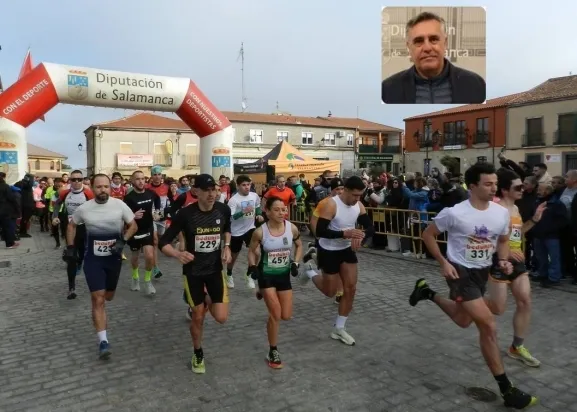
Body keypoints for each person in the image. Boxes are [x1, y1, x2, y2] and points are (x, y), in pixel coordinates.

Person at [413, 162, 537, 409]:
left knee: (462, 320)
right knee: (488, 325)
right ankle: (507, 389)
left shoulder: (500, 213)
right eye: (488, 184)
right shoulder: (454, 213)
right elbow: (428, 235)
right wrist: (443, 262)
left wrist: (503, 260)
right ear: (472, 186)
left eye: (495, 184)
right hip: (459, 272)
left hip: (482, 271)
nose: (494, 188)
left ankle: (426, 292)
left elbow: (503, 240)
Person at [158, 174, 232, 374]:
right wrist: (177, 254)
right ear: (195, 191)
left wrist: (226, 246)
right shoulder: (185, 214)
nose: (211, 194)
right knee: (198, 316)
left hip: (215, 270)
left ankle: (204, 298)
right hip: (193, 272)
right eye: (206, 190)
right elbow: (163, 242)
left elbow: (227, 228)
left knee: (221, 318)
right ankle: (198, 352)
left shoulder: (223, 209)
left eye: (214, 189)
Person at [67, 174, 137, 359]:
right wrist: (70, 247)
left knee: (108, 296)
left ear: (110, 188)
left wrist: (123, 240)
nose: (103, 190)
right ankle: (103, 341)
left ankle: (103, 320)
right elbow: (72, 225)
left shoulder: (119, 205)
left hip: (113, 260)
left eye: (106, 186)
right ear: (92, 188)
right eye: (99, 187)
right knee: (97, 299)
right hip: (93, 260)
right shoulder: (85, 208)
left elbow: (133, 225)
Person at [299, 176, 374, 346]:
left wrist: (361, 236)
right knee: (330, 292)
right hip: (329, 250)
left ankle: (339, 328)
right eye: (355, 195)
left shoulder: (359, 205)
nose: (357, 199)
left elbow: (371, 227)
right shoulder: (331, 205)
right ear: (346, 190)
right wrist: (344, 234)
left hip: (346, 250)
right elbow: (320, 231)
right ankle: (310, 271)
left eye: (360, 195)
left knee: (351, 288)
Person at [488, 169, 544, 368]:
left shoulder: (516, 209)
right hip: (500, 260)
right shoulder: (495, 209)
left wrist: (534, 220)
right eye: (518, 187)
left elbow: (518, 235)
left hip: (518, 262)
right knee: (498, 308)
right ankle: (468, 303)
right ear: (504, 190)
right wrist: (507, 252)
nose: (523, 189)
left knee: (525, 301)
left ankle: (516, 347)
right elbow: (487, 239)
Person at [381, 11, 485, 104]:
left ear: (445, 43)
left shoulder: (475, 84)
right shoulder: (388, 90)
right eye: (419, 41)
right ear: (409, 47)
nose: (427, 48)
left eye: (434, 39)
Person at [247, 196, 303, 369]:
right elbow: (251, 251)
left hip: (283, 275)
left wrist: (296, 262)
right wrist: (253, 266)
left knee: (286, 315)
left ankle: (261, 292)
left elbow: (299, 245)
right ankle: (273, 351)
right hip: (267, 275)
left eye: (283, 209)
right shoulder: (260, 232)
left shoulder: (291, 228)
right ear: (268, 212)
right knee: (276, 314)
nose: (281, 213)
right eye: (277, 210)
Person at [52, 170, 94, 300]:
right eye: (73, 179)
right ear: (70, 180)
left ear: (82, 180)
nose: (76, 182)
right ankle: (71, 288)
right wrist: (55, 216)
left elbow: (96, 207)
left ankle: (80, 262)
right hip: (70, 227)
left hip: (83, 227)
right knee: (71, 256)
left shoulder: (88, 193)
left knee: (81, 253)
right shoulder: (65, 192)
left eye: (79, 179)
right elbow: (57, 203)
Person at [304, 177, 345, 303]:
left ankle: (340, 293)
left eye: (342, 189)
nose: (340, 191)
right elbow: (313, 221)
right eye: (337, 189)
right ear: (331, 190)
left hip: (340, 241)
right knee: (329, 269)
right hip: (325, 240)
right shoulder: (324, 203)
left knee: (341, 267)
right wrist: (318, 236)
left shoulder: (345, 202)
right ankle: (312, 262)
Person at [123, 171, 161, 295]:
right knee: (135, 257)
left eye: (143, 178)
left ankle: (147, 281)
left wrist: (157, 213)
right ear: (132, 181)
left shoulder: (151, 193)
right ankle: (135, 277)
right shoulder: (129, 198)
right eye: (137, 179)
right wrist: (133, 215)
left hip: (148, 228)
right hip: (134, 230)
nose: (141, 181)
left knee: (149, 256)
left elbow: (158, 201)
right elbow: (124, 215)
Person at [225, 175, 264, 289]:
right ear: (238, 186)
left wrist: (259, 214)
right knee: (233, 256)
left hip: (250, 228)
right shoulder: (233, 200)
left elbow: (257, 206)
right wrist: (243, 212)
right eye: (244, 185)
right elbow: (231, 217)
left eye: (248, 184)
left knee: (257, 253)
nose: (247, 187)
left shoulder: (254, 195)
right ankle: (229, 274)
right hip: (236, 232)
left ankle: (249, 274)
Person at [145, 165, 169, 279]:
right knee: (155, 241)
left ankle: (149, 248)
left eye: (159, 174)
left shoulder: (167, 188)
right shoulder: (147, 188)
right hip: (151, 217)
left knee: (159, 239)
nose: (157, 177)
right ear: (151, 176)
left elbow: (172, 202)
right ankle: (155, 268)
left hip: (162, 217)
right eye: (154, 174)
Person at [0, 172, 18, 249]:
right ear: (4, 178)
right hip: (4, 210)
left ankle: (11, 242)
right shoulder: (5, 186)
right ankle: (9, 244)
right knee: (6, 227)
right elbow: (11, 198)